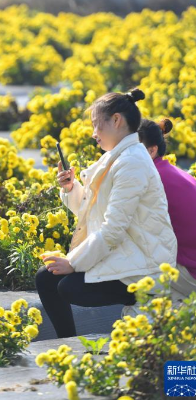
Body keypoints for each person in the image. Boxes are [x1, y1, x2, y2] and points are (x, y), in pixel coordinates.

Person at [35, 88, 177, 338]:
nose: (93, 134)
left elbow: (112, 229)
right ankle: (66, 344)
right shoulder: (116, 157)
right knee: (47, 278)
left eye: (96, 125)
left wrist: (74, 263)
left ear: (116, 120)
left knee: (68, 286)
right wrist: (71, 188)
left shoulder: (131, 162)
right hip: (127, 251)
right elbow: (93, 210)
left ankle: (143, 298)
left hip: (146, 265)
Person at [138, 118, 196, 300]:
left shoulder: (152, 180)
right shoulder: (171, 171)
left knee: (127, 263)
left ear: (152, 150)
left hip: (191, 274)